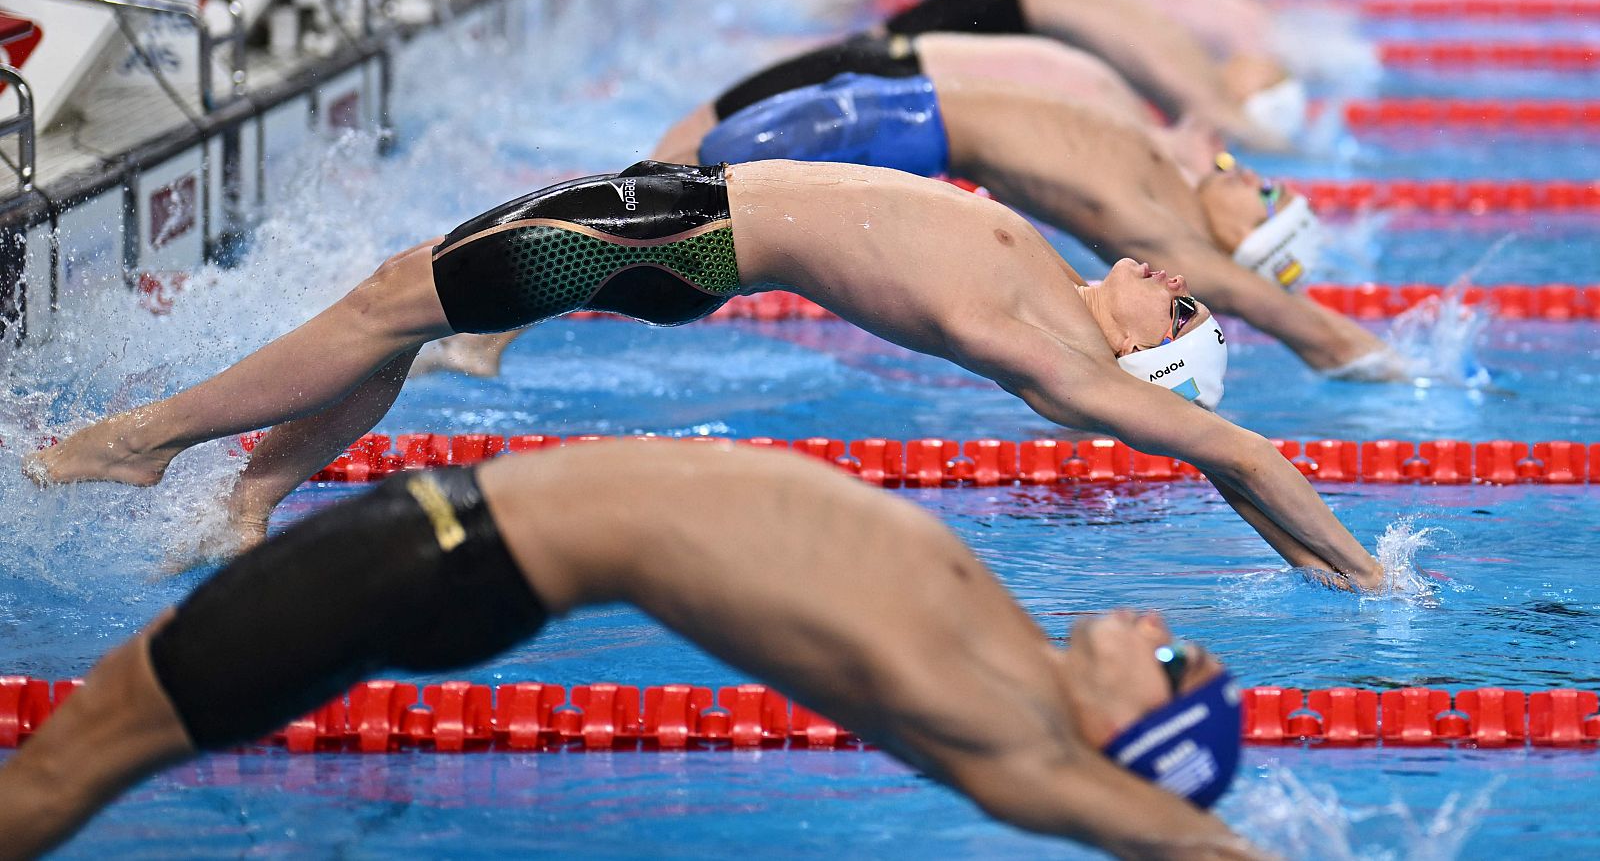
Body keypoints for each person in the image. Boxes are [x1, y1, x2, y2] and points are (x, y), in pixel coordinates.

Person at [26, 159, 1384, 590]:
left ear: (1152, 350)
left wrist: (1362, 574)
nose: (1172, 276)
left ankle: (147, 440)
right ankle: (244, 500)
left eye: (1185, 306)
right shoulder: (1058, 293)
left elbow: (1237, 456)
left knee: (392, 302)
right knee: (399, 308)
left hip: (684, 232)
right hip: (684, 213)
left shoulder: (1053, 350)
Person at [0, 441, 1263, 860]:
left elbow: (1178, 837)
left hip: (432, 555)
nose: (1163, 631)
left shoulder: (998, 730)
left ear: (1123, 738)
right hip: (451, 543)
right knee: (73, 761)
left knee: (62, 772)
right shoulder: (1001, 657)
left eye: (1171, 668)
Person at [658, 73, 1393, 379]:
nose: (1254, 178)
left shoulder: (1155, 229)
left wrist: (1386, 362)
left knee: (658, 189)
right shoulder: (1173, 179)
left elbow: (1278, 311)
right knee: (658, 182)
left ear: (1241, 246)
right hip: (879, 105)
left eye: (1265, 199)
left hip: (868, 124)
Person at [653, 31, 1223, 184]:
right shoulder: (1110, 122)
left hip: (886, 69)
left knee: (691, 151)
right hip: (881, 78)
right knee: (689, 157)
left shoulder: (1113, 108)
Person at [879, 0, 1300, 147]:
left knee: (871, 56)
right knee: (872, 56)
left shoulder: (1189, 70)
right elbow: (1229, 125)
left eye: (1270, 80)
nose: (1268, 67)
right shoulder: (1193, 76)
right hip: (1001, 4)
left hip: (1002, 4)